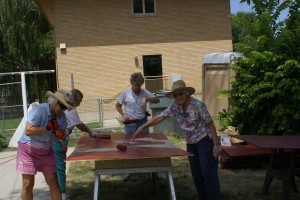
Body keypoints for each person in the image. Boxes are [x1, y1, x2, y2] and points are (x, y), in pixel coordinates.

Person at [132, 80, 221, 200]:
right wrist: (142, 127)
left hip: (204, 141)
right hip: (191, 144)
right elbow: (159, 118)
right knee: (197, 175)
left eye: (181, 94)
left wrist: (215, 146)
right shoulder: (175, 106)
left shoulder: (198, 106)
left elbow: (211, 125)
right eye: (175, 95)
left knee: (208, 174)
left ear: (186, 93)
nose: (178, 97)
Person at [16, 89, 74, 200]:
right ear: (54, 101)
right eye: (61, 106)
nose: (62, 110)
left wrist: (61, 135)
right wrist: (47, 127)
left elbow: (62, 137)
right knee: (28, 184)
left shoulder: (61, 117)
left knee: (54, 182)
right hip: (28, 150)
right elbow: (28, 130)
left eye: (65, 108)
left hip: (46, 151)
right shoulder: (39, 110)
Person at [116, 72, 159, 180]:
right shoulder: (125, 93)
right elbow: (117, 105)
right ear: (131, 84)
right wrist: (124, 114)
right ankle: (129, 170)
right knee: (129, 145)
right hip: (130, 122)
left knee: (145, 145)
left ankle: (147, 170)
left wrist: (148, 99)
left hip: (142, 121)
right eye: (136, 86)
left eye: (140, 86)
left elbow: (157, 100)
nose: (138, 88)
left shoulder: (144, 92)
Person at [52, 89, 92, 200]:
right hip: (59, 139)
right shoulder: (71, 109)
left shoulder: (62, 107)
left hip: (55, 138)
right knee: (60, 168)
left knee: (55, 168)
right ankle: (62, 195)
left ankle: (58, 193)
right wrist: (90, 131)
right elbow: (78, 124)